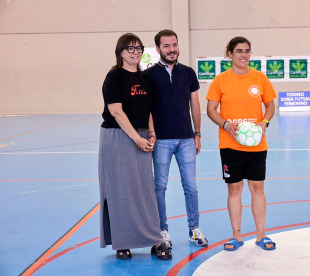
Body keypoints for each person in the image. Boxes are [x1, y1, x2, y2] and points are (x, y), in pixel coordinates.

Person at [98, 33, 171, 260]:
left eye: (138, 48)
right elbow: (116, 112)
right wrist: (136, 139)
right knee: (121, 191)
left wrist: (150, 132)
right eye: (130, 48)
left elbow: (148, 109)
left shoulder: (144, 77)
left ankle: (154, 239)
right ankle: (123, 242)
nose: (135, 52)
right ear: (120, 52)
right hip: (118, 137)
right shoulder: (114, 77)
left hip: (140, 135)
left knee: (145, 190)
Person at [206, 36, 277, 251]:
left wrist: (264, 122)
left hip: (256, 145)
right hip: (230, 145)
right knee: (234, 189)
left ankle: (261, 236)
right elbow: (210, 109)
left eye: (247, 51)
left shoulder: (260, 78)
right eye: (239, 51)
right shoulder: (220, 80)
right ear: (230, 54)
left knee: (257, 188)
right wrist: (226, 124)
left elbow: (270, 105)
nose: (244, 55)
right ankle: (236, 236)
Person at [145, 29, 208, 248]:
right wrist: (152, 133)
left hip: (186, 140)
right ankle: (162, 231)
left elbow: (195, 105)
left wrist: (197, 133)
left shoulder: (189, 73)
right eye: (167, 46)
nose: (172, 50)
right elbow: (147, 109)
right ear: (158, 49)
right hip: (161, 140)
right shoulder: (149, 75)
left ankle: (194, 229)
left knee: (190, 186)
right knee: (159, 187)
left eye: (174, 45)